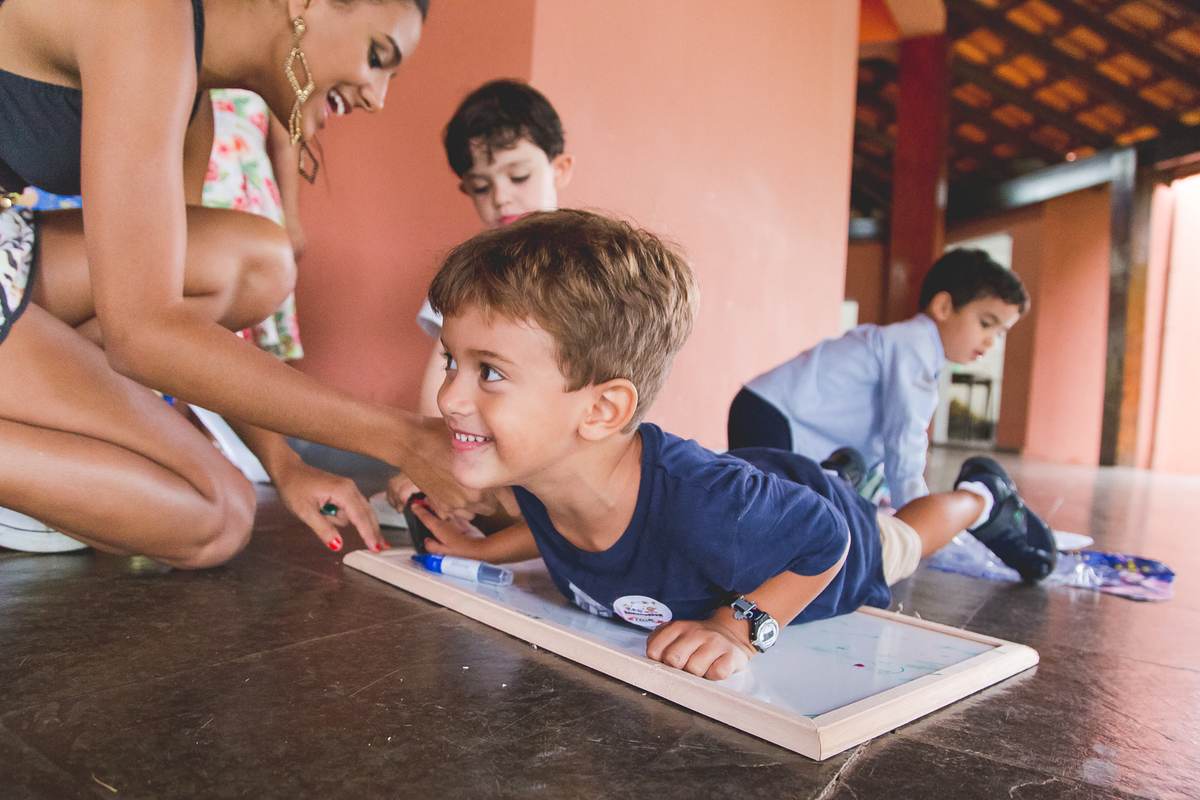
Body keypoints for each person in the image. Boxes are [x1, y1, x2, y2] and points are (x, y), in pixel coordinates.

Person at [407, 210, 1057, 682]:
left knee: (899, 541)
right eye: (451, 362)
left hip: (829, 539)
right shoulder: (546, 474)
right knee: (780, 504)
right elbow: (559, 529)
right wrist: (483, 548)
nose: (449, 398)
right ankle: (837, 473)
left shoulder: (699, 504)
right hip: (767, 497)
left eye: (488, 371)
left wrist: (736, 628)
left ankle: (978, 497)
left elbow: (823, 540)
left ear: (602, 410)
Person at [0, 0, 490, 569]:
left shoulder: (191, 98)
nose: (377, 98)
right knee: (216, 512)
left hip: (10, 242)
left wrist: (283, 464)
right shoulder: (145, 16)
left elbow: (175, 327)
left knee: (260, 263)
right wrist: (401, 437)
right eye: (378, 56)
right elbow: (142, 334)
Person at [728, 248, 1029, 509]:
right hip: (773, 416)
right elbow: (905, 437)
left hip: (766, 408)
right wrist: (915, 515)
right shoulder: (914, 346)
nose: (991, 341)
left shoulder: (908, 345)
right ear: (943, 307)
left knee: (775, 502)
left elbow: (881, 441)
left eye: (1000, 333)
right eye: (986, 323)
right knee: (767, 509)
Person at [413, 78, 574, 418]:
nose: (501, 198)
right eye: (482, 186)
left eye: (518, 177)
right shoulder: (469, 272)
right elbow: (441, 370)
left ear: (559, 169)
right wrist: (426, 451)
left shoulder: (589, 265)